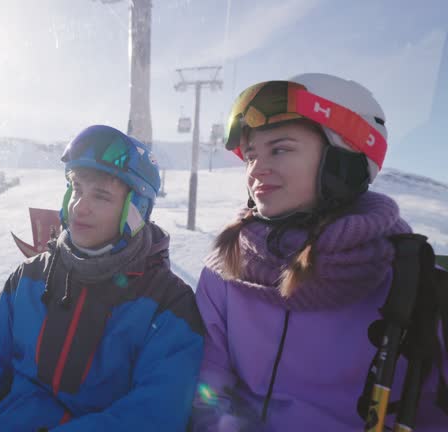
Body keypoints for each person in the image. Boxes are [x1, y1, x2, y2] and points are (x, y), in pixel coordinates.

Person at [190, 73, 448, 430]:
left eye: (279, 149)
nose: (256, 169)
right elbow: (208, 387)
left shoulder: (410, 283)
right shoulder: (226, 269)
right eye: (251, 155)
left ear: (343, 161)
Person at [0, 125, 205, 431]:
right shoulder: (30, 278)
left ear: (136, 210)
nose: (80, 206)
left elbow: (155, 413)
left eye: (101, 196)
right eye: (77, 189)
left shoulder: (168, 303)